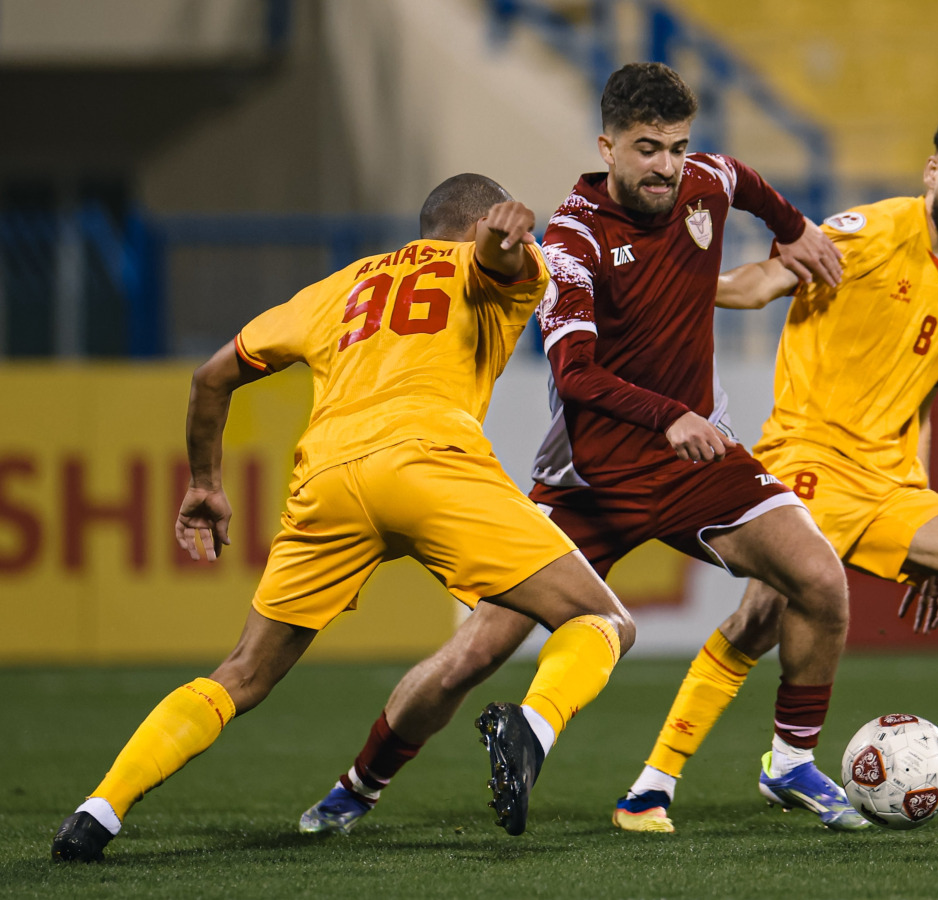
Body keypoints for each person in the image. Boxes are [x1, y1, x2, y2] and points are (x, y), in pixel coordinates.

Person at [298, 61, 870, 837]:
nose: (667, 165)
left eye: (676, 146)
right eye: (646, 149)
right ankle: (358, 786)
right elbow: (574, 376)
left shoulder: (704, 180)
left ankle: (792, 762)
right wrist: (669, 415)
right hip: (590, 477)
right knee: (475, 653)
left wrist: (795, 228)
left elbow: (742, 179)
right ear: (607, 146)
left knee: (819, 579)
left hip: (694, 461)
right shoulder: (569, 241)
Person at [50, 173, 636, 863]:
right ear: (475, 224)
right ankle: (531, 729)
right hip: (429, 465)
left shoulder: (340, 287)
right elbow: (496, 260)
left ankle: (99, 809)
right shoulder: (497, 258)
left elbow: (211, 377)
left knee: (241, 674)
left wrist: (206, 482)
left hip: (326, 481)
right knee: (602, 621)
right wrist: (505, 241)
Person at [628, 104, 938, 824]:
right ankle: (656, 780)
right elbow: (761, 283)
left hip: (890, 485)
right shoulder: (871, 232)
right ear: (933, 171)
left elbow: (919, 401)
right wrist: (664, 285)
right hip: (807, 459)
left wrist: (922, 518)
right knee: (761, 619)